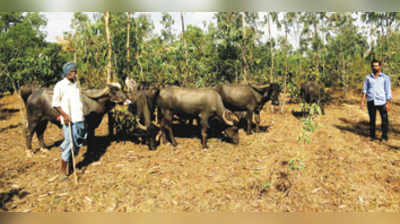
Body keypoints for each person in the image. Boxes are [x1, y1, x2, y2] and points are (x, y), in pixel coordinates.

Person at [52, 62, 87, 179]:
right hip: (69, 119)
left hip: (79, 118)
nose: (74, 73)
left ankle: (72, 166)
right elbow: (55, 104)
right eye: (71, 71)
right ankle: (63, 171)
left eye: (75, 71)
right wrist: (65, 115)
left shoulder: (76, 84)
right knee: (69, 143)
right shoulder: (60, 85)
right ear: (66, 72)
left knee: (76, 144)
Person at [360, 59, 392, 141]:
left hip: (382, 101)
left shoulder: (385, 78)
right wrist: (362, 102)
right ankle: (372, 135)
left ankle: (384, 136)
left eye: (376, 66)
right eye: (373, 66)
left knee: (384, 119)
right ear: (371, 67)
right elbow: (364, 90)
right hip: (371, 101)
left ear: (380, 67)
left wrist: (388, 103)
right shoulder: (368, 78)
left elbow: (388, 91)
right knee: (372, 119)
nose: (375, 68)